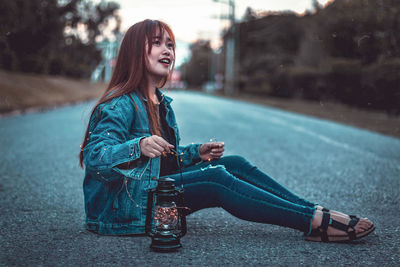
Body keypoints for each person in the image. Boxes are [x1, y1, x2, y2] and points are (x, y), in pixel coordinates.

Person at [79, 19, 375, 242]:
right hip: (122, 209)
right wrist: (139, 144)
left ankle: (312, 210)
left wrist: (196, 153)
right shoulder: (118, 105)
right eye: (157, 43)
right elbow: (95, 157)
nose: (167, 50)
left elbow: (162, 163)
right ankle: (312, 221)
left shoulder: (160, 102)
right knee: (216, 179)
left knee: (233, 163)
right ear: (134, 52)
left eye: (170, 44)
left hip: (150, 195)